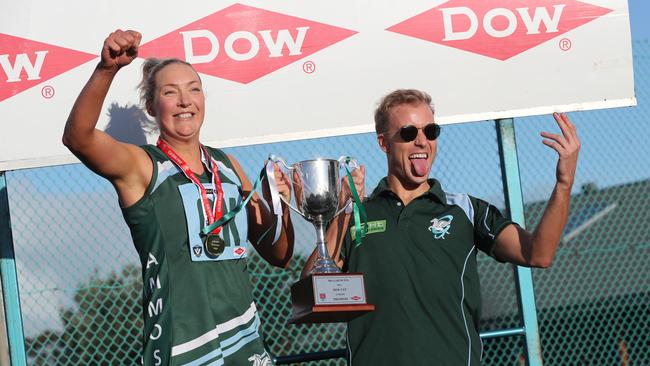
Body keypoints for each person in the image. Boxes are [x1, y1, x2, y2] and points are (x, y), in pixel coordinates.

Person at [63, 29, 294, 366]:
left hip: (245, 345)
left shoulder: (228, 166)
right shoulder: (142, 167)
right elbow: (77, 138)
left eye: (194, 90)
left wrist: (280, 205)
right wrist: (106, 69)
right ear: (152, 106)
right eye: (171, 93)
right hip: (184, 349)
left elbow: (280, 255)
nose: (186, 101)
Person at [302, 89, 580, 365]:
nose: (422, 141)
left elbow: (538, 254)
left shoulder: (466, 210)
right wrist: (341, 213)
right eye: (409, 133)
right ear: (384, 143)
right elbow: (308, 292)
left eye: (431, 131)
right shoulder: (356, 214)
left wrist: (564, 183)